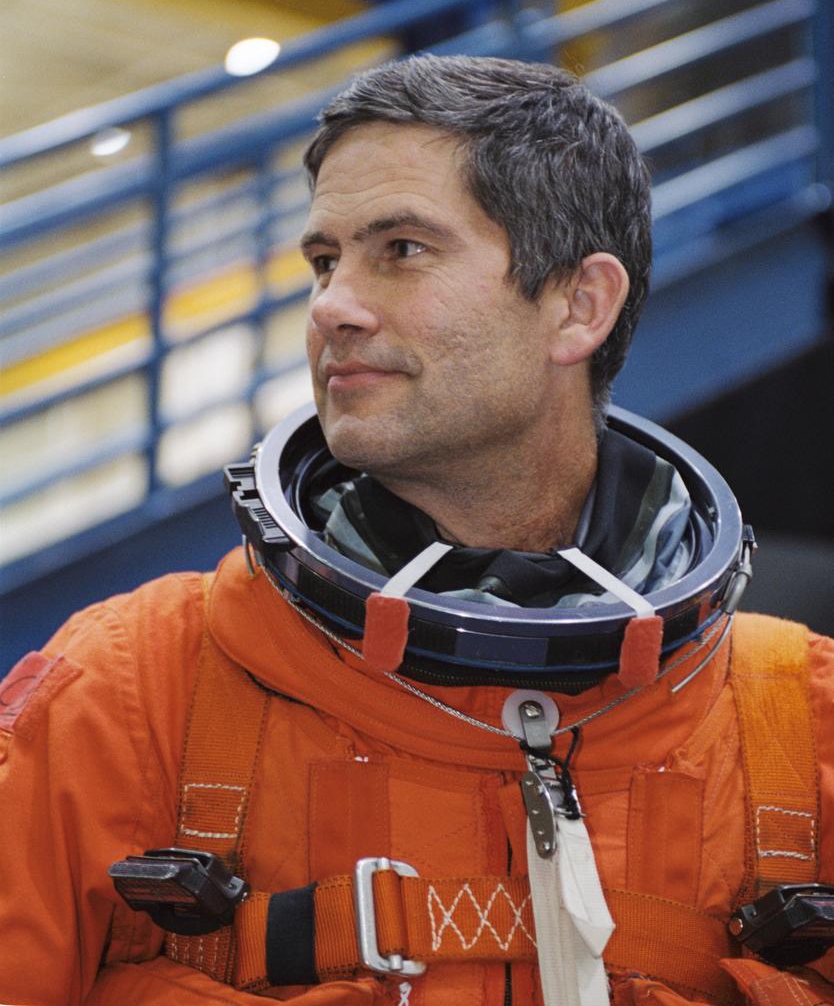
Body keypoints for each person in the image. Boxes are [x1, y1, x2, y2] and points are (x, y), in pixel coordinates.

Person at [1, 55, 832, 1006]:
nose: (331, 307)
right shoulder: (134, 696)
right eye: (325, 261)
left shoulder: (802, 733)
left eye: (400, 249)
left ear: (578, 306)